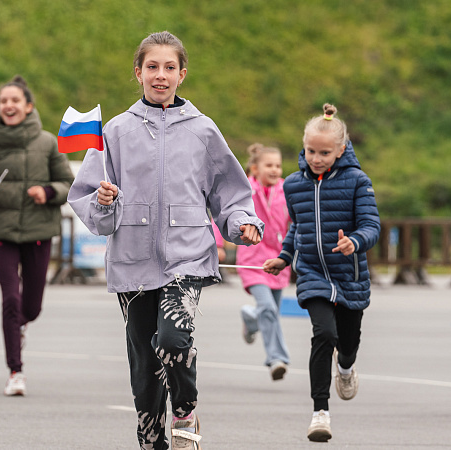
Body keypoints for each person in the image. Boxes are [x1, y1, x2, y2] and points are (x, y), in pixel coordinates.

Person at [68, 31, 263, 450]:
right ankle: (151, 439)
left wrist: (242, 222)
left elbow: (229, 192)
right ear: (138, 72)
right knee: (144, 371)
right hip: (132, 262)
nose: (161, 75)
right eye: (152, 67)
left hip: (188, 258)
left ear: (182, 75)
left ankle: (186, 410)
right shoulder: (115, 131)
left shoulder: (203, 130)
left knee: (175, 339)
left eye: (169, 67)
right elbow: (89, 201)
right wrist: (104, 202)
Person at [264, 104, 380, 442]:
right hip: (313, 273)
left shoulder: (358, 181)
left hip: (349, 274)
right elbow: (297, 227)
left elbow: (371, 226)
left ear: (341, 150)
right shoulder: (293, 184)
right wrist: (284, 258)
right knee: (323, 334)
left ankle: (345, 367)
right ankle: (320, 412)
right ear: (304, 145)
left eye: (325, 152)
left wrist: (354, 242)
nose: (316, 158)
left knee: (347, 341)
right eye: (311, 151)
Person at [0, 75, 74, 396]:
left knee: (30, 307)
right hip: (1, 232)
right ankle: (15, 371)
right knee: (10, 299)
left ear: (28, 106)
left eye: (15, 101)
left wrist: (47, 192)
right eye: (3, 101)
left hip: (39, 231)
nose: (8, 105)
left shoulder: (48, 142)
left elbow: (68, 183)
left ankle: (21, 325)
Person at [237, 143, 293, 381]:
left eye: (278, 165)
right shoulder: (245, 190)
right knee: (268, 309)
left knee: (271, 313)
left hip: (278, 261)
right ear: (255, 169)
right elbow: (227, 212)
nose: (274, 169)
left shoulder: (287, 191)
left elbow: (297, 222)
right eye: (268, 165)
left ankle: (251, 318)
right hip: (252, 260)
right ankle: (277, 358)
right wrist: (217, 244)